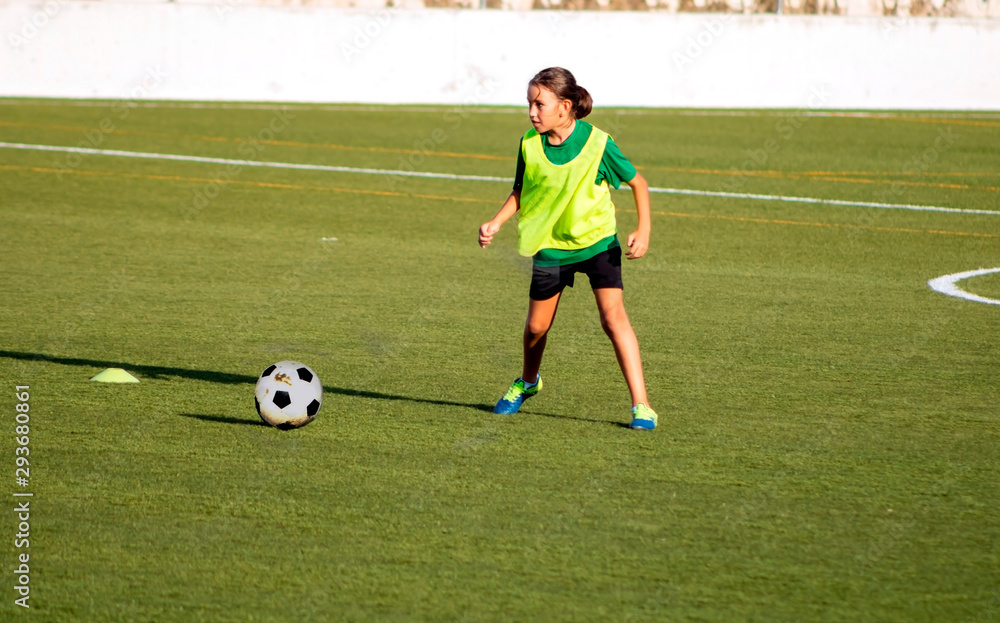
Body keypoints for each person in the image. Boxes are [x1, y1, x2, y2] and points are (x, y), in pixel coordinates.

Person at [478, 67, 658, 430]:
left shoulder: (599, 143)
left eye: (538, 104)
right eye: (529, 103)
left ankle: (642, 406)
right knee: (535, 328)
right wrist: (496, 222)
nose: (531, 112)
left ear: (564, 106)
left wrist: (644, 228)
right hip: (550, 248)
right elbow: (520, 191)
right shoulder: (529, 143)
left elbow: (639, 182)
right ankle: (528, 383)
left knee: (613, 319)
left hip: (597, 243)